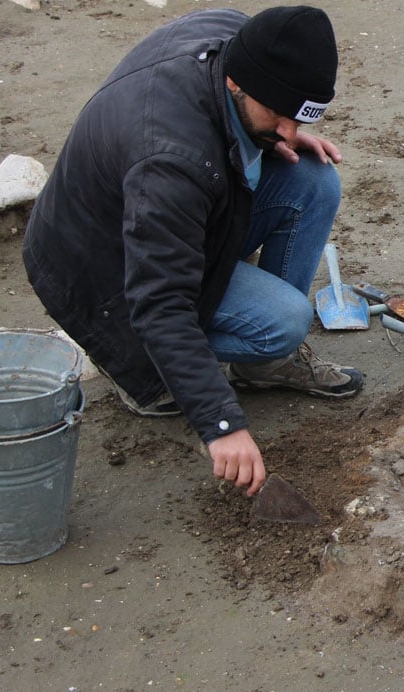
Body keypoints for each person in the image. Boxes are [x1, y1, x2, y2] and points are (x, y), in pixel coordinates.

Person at [23, 6, 362, 499]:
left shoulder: (236, 41)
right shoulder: (170, 159)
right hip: (100, 271)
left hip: (161, 220)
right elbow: (160, 302)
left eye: (300, 116)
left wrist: (274, 131)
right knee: (285, 321)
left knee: (312, 180)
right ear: (235, 85)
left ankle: (264, 365)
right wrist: (221, 424)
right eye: (279, 115)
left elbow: (266, 120)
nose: (290, 131)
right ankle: (143, 370)